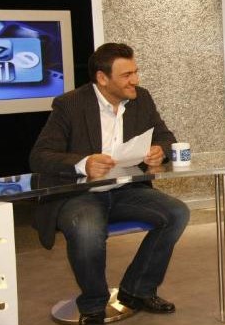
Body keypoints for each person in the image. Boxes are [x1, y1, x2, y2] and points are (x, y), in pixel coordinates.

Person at [30, 43, 190, 325]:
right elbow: (40, 156)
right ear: (102, 78)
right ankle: (93, 305)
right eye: (127, 75)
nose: (135, 80)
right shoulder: (70, 104)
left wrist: (160, 150)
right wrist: (83, 163)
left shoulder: (141, 99)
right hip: (79, 194)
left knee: (177, 213)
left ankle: (137, 290)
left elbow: (166, 137)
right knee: (87, 229)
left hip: (126, 191)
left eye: (135, 72)